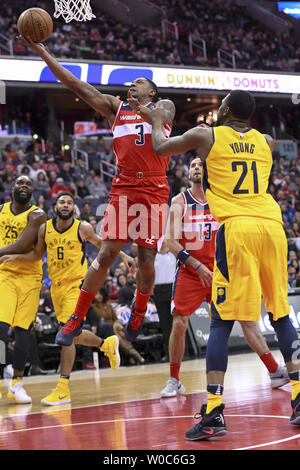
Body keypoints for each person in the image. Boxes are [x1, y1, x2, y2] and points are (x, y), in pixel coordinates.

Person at [149, 90, 300, 439]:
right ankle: (298, 395)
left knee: (220, 322)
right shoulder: (266, 140)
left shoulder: (208, 134)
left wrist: (157, 120)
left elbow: (160, 147)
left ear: (226, 110)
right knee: (279, 316)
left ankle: (214, 411)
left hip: (236, 229)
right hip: (273, 228)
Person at [18, 35, 176, 347]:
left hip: (155, 189)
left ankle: (139, 310)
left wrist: (141, 109)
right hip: (124, 187)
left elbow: (160, 118)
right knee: (106, 253)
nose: (132, 85)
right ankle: (76, 317)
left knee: (146, 258)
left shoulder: (163, 107)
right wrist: (42, 52)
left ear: (152, 91)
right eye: (130, 83)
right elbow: (76, 85)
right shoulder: (114, 108)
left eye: (139, 82)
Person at [159, 156, 289, 398]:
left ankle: (274, 372)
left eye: (201, 165)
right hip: (191, 270)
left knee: (246, 319)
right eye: (193, 166)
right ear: (188, 174)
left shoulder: (223, 199)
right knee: (179, 323)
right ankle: (174, 379)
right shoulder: (180, 201)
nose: (197, 168)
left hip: (223, 268)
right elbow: (170, 241)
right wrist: (196, 266)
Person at [0, 192, 135, 406]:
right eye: (62, 202)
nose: (66, 205)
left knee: (67, 334)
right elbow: (36, 256)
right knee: (73, 333)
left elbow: (103, 244)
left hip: (77, 286)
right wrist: (16, 257)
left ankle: (63, 388)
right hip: (56, 288)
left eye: (70, 202)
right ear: (56, 206)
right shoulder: (45, 229)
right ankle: (106, 344)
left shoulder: (83, 228)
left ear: (74, 208)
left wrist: (124, 256)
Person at [0, 175, 46, 404]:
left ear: (33, 190)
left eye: (28, 184)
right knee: (0, 329)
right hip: (5, 274)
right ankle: (2, 373)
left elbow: (22, 245)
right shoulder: (1, 211)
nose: (24, 186)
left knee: (22, 333)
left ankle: (16, 383)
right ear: (12, 188)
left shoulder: (37, 215)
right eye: (20, 183)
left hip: (29, 276)